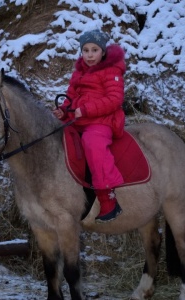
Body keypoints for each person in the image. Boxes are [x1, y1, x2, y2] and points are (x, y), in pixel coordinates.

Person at [53, 29, 126, 223]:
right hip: (78, 120)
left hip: (102, 120)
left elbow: (114, 99)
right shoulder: (78, 73)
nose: (90, 54)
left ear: (103, 52)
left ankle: (107, 197)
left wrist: (86, 110)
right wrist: (64, 110)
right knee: (55, 138)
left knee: (92, 144)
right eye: (85, 50)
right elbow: (70, 97)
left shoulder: (112, 71)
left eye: (94, 50)